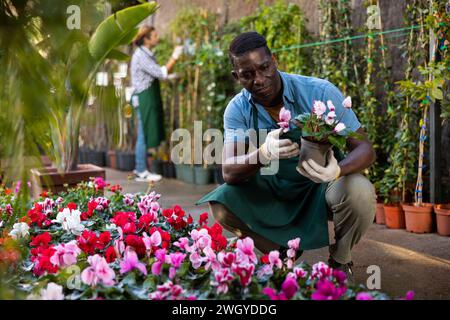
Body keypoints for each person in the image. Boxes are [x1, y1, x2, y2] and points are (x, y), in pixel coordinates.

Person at [197, 32, 377, 281]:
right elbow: (229, 172)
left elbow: (365, 149)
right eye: (248, 75)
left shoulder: (318, 92)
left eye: (264, 68)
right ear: (236, 76)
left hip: (320, 185)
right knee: (222, 203)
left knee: (360, 191)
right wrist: (262, 153)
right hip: (274, 190)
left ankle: (340, 260)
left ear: (275, 61)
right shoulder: (237, 109)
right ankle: (281, 251)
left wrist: (337, 170)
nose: (259, 80)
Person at [130, 26, 183, 182]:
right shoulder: (141, 55)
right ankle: (140, 169)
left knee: (144, 133)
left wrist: (172, 76)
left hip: (147, 95)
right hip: (145, 96)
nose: (157, 37)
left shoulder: (145, 54)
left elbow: (156, 74)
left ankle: (141, 168)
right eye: (154, 35)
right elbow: (160, 72)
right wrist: (174, 56)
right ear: (146, 39)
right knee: (144, 134)